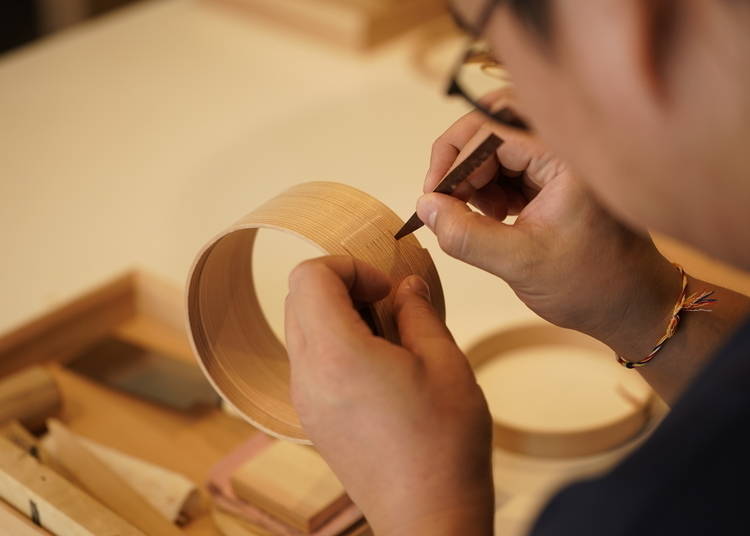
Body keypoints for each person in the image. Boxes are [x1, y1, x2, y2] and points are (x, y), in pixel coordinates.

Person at [283, 0, 750, 534]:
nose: (511, 104)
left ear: (618, 33)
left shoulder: (648, 511)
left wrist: (429, 506)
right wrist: (641, 303)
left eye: (494, 53)